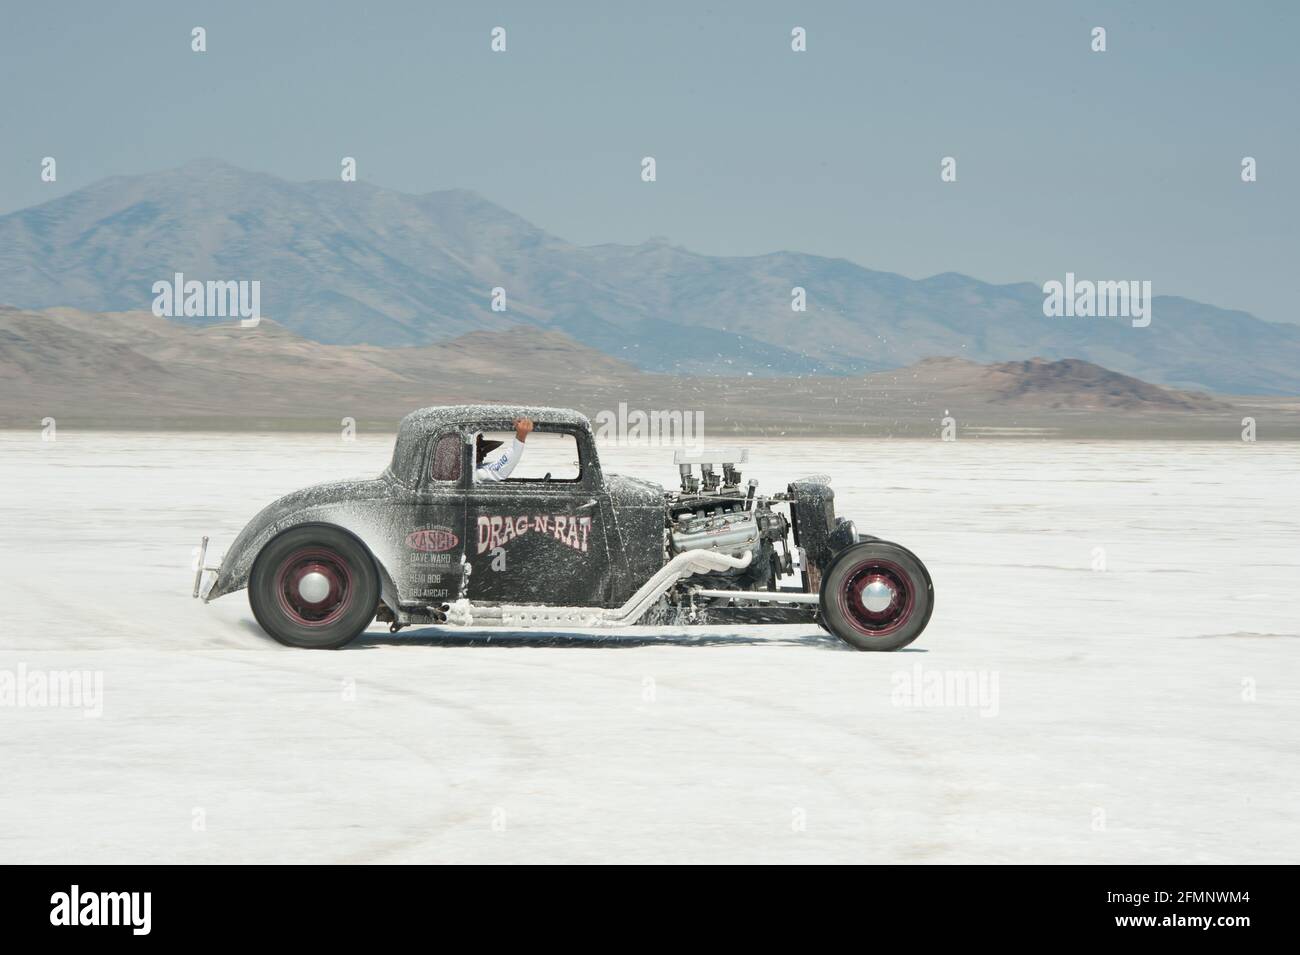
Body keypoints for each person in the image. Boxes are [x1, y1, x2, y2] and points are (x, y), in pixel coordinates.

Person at [474, 417, 534, 482]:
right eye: (478, 450)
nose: (484, 455)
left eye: (480, 451)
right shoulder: (477, 474)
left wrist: (521, 435)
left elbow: (501, 466)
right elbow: (501, 470)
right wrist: (521, 435)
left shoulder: (481, 469)